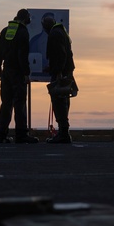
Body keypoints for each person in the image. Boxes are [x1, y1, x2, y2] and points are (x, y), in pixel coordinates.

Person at [0, 9, 38, 143]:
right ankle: (21, 135)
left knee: (6, 104)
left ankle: (2, 135)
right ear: (25, 18)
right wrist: (26, 73)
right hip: (17, 72)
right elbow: (22, 55)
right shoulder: (23, 32)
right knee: (20, 103)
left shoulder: (6, 30)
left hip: (6, 71)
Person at [42, 15, 77, 144]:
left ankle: (63, 133)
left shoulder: (54, 34)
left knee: (59, 102)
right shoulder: (61, 31)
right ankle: (64, 132)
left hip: (60, 73)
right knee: (63, 101)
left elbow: (60, 55)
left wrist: (57, 72)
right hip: (66, 71)